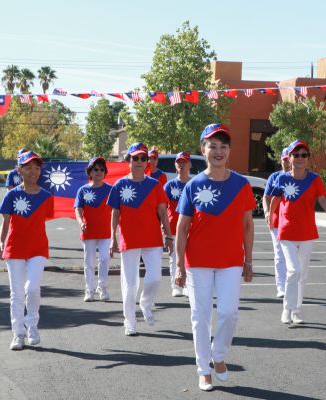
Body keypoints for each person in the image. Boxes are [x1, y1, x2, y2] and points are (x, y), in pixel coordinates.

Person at [174, 123, 255, 392]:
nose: (218, 151)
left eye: (223, 146)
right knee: (200, 315)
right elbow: (182, 227)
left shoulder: (241, 185)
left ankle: (218, 356)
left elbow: (247, 225)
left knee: (229, 313)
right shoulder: (193, 186)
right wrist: (178, 265)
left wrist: (249, 261)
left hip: (231, 260)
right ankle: (203, 368)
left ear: (229, 151)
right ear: (203, 150)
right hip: (197, 262)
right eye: (212, 146)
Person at [108, 142, 173, 337]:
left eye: (143, 158)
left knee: (154, 278)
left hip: (152, 238)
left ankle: (145, 303)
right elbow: (115, 213)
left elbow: (163, 211)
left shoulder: (154, 185)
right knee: (129, 283)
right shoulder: (120, 185)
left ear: (147, 162)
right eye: (135, 158)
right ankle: (130, 322)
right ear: (128, 161)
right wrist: (112, 238)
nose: (139, 161)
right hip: (129, 239)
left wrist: (169, 235)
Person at [267, 139, 326, 325]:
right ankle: (286, 309)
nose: (299, 158)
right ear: (289, 158)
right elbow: (275, 200)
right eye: (296, 155)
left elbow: (322, 198)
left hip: (307, 233)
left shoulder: (314, 179)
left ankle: (297, 310)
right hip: (286, 231)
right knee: (293, 270)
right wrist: (269, 214)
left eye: (303, 155)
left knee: (302, 275)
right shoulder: (282, 178)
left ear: (308, 158)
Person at [0, 151, 54, 351]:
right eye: (28, 167)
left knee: (32, 289)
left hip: (37, 248)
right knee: (17, 293)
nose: (33, 171)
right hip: (15, 248)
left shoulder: (47, 197)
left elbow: (43, 220)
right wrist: (0, 242)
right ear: (19, 170)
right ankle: (18, 334)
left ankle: (32, 326)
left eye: (37, 167)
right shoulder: (11, 195)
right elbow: (5, 222)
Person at [74, 156, 112, 302]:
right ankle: (89, 290)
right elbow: (78, 209)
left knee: (104, 259)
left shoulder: (110, 190)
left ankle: (102, 288)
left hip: (105, 232)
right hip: (88, 231)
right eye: (95, 169)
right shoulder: (83, 190)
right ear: (90, 172)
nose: (99, 172)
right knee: (89, 262)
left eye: (102, 169)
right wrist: (81, 222)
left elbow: (117, 210)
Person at [263, 147, 291, 298]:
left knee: (292, 256)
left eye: (289, 159)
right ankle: (281, 287)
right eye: (284, 160)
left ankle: (290, 284)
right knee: (280, 254)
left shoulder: (298, 178)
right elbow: (266, 197)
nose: (287, 163)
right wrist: (267, 211)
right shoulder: (274, 177)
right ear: (280, 161)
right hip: (276, 222)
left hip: (292, 222)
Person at [162, 151, 191, 297]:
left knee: (188, 256)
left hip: (191, 228)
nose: (181, 165)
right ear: (175, 165)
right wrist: (163, 227)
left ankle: (187, 285)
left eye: (184, 162)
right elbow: (161, 208)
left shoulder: (193, 185)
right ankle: (176, 286)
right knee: (174, 257)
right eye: (179, 162)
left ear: (189, 165)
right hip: (173, 227)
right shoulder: (169, 186)